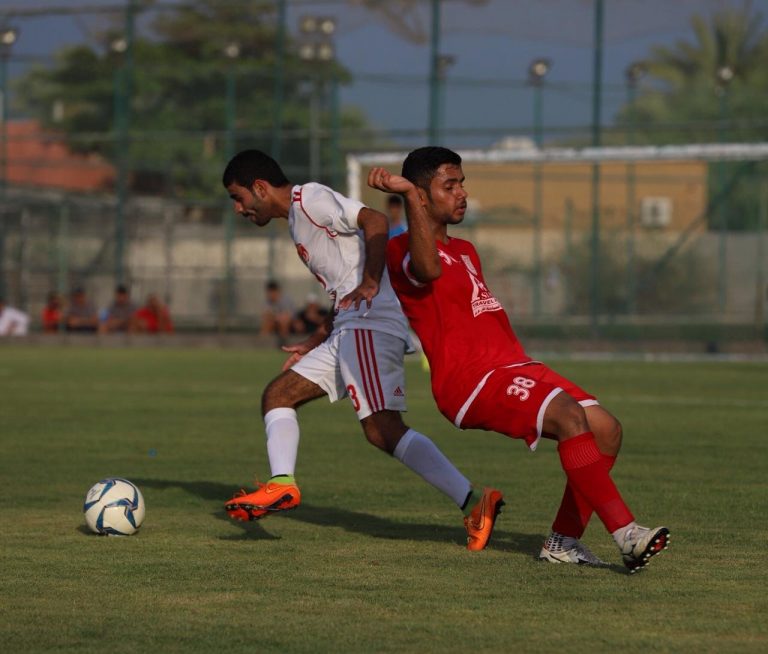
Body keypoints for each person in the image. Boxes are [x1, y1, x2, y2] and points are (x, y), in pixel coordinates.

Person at [368, 146, 670, 573]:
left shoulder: (466, 249)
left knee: (606, 429)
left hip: (512, 365)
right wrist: (404, 196)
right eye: (449, 186)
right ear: (420, 195)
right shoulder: (402, 250)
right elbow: (428, 269)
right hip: (471, 381)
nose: (462, 193)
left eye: (462, 184)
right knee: (568, 416)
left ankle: (562, 543)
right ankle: (627, 533)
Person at [222, 148, 503, 551]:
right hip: (349, 326)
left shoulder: (310, 198)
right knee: (278, 395)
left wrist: (371, 281)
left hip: (370, 323)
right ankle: (281, 483)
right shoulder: (298, 220)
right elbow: (343, 285)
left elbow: (375, 220)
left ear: (260, 188)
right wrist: (316, 338)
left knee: (383, 429)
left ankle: (474, 502)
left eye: (239, 197)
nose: (239, 208)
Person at [261, 279, 294, 345]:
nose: (270, 295)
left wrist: (275, 316)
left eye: (272, 292)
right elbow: (265, 315)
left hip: (291, 322)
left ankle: (284, 344)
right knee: (267, 324)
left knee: (283, 322)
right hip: (275, 321)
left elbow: (288, 316)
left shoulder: (285, 300)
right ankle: (263, 344)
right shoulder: (268, 301)